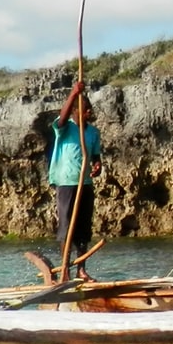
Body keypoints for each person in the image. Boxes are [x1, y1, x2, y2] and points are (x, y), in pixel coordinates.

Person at [48, 79, 102, 264]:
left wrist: (97, 166)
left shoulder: (93, 133)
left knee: (83, 230)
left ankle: (81, 269)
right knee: (67, 228)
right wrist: (73, 93)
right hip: (67, 183)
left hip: (85, 183)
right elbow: (61, 119)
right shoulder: (65, 128)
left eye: (89, 109)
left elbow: (96, 157)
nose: (89, 112)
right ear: (75, 111)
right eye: (85, 109)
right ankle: (65, 270)